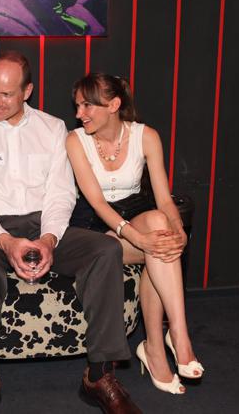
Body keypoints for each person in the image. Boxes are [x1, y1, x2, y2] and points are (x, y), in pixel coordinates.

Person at [0, 51, 142, 414]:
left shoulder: (51, 129)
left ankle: (99, 376)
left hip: (43, 223)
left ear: (27, 91)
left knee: (105, 250)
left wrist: (49, 240)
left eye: (6, 94)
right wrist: (5, 240)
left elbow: (61, 193)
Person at [66, 73, 203, 395]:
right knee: (158, 245)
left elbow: (164, 199)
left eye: (87, 106)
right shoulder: (75, 140)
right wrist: (139, 239)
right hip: (95, 228)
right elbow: (98, 203)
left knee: (159, 224)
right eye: (77, 106)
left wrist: (178, 231)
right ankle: (166, 342)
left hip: (138, 216)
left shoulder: (146, 136)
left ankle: (170, 338)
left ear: (113, 105)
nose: (79, 113)